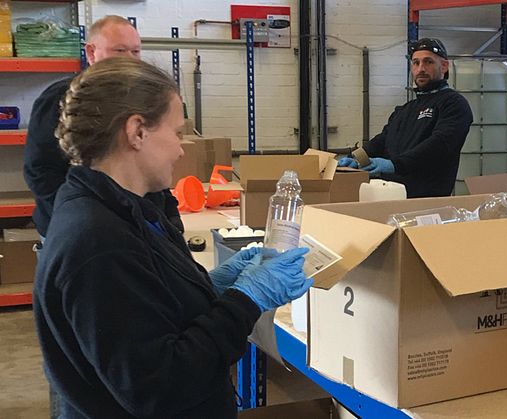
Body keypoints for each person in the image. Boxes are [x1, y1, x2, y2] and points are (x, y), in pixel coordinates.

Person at [33, 57, 313, 418]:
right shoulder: (97, 242)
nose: (182, 149)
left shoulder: (127, 208)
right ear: (137, 132)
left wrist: (208, 287)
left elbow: (146, 307)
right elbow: (160, 385)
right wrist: (247, 298)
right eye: (177, 133)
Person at [23, 15, 185, 237]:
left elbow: (150, 164)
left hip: (133, 227)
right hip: (85, 229)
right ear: (91, 52)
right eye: (120, 51)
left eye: (135, 51)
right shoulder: (62, 99)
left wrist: (169, 216)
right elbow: (41, 171)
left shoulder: (140, 99)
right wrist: (75, 221)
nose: (130, 59)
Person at [339, 38, 473, 198]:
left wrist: (395, 165)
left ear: (444, 66)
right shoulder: (405, 109)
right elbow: (382, 140)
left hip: (426, 202)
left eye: (428, 62)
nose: (421, 69)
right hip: (390, 196)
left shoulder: (454, 104)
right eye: (416, 63)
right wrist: (356, 156)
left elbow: (440, 145)